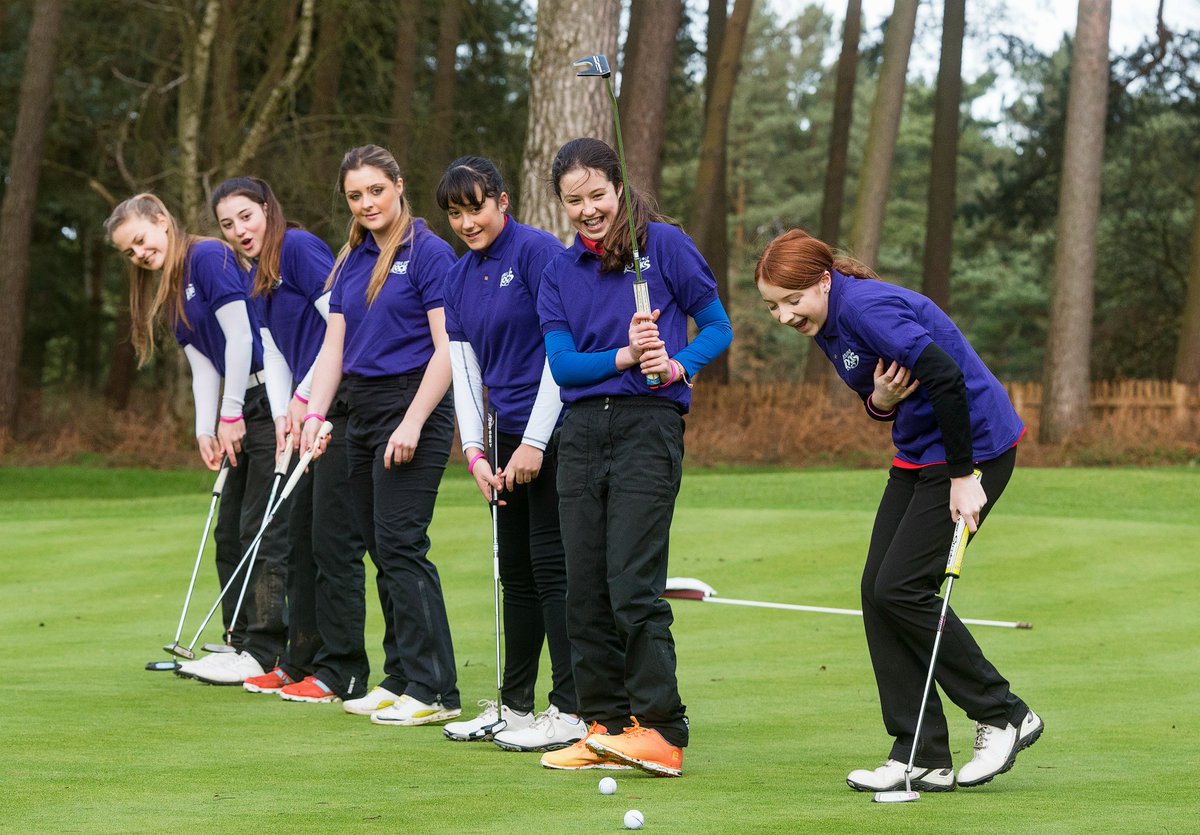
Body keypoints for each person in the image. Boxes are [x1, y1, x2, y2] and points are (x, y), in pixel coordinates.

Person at [754, 228, 1042, 793]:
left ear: (823, 280)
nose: (784, 316)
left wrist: (964, 476)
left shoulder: (864, 308)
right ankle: (920, 750)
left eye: (792, 300)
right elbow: (888, 390)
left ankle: (1003, 713)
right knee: (877, 591)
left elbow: (944, 375)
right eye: (772, 306)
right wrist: (878, 402)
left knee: (902, 588)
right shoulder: (826, 322)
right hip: (918, 454)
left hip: (974, 448)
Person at [534, 138, 733, 777]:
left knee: (631, 587)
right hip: (582, 431)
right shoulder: (559, 271)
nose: (588, 209)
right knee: (583, 589)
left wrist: (676, 363)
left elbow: (718, 326)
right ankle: (606, 725)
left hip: (650, 425)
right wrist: (622, 355)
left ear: (619, 188)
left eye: (597, 195)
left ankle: (662, 731)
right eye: (574, 201)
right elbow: (564, 368)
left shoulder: (664, 246)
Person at [299, 144, 462, 727]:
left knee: (400, 545)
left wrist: (414, 421)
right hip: (360, 410)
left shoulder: (429, 253)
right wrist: (315, 416)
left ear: (397, 185)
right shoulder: (348, 261)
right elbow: (333, 350)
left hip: (413, 401)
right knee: (378, 549)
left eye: (375, 190)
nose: (366, 203)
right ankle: (400, 678)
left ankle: (435, 687)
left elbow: (448, 348)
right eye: (355, 195)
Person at [105, 193, 288, 685]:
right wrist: (204, 428)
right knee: (228, 530)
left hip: (268, 399)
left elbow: (241, 338)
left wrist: (230, 415)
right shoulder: (168, 289)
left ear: (162, 222)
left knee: (260, 528)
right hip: (238, 406)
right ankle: (239, 638)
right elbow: (202, 365)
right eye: (130, 253)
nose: (140, 255)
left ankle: (266, 649)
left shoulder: (207, 257)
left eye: (141, 240)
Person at [433, 156, 583, 751]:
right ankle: (517, 706)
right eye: (454, 213)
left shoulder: (538, 253)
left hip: (555, 427)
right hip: (501, 434)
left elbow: (559, 355)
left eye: (475, 207)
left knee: (553, 570)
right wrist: (473, 449)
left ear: (501, 200)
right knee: (514, 575)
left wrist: (535, 443)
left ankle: (569, 709)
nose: (467, 223)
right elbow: (466, 369)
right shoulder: (458, 275)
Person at [210, 177, 370, 704]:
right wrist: (283, 418)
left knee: (327, 544)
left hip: (336, 406)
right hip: (303, 413)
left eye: (246, 217)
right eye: (228, 225)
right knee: (297, 542)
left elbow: (337, 331)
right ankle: (295, 660)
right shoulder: (256, 275)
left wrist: (306, 404)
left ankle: (337, 668)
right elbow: (274, 350)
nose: (239, 231)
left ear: (266, 209)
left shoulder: (298, 248)